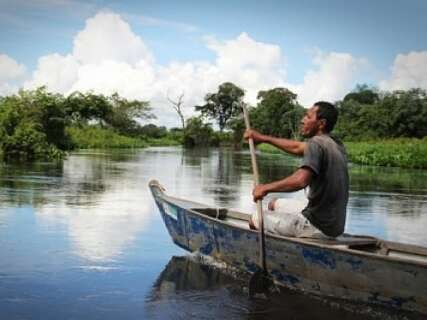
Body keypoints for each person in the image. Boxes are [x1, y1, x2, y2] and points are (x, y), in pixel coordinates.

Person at [244, 101, 349, 238]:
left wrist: (265, 188)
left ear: (321, 123)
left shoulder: (316, 143)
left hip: (315, 226)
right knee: (274, 204)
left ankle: (278, 253)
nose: (302, 120)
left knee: (255, 218)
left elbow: (300, 181)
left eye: (308, 117)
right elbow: (296, 147)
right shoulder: (336, 145)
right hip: (334, 226)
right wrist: (263, 138)